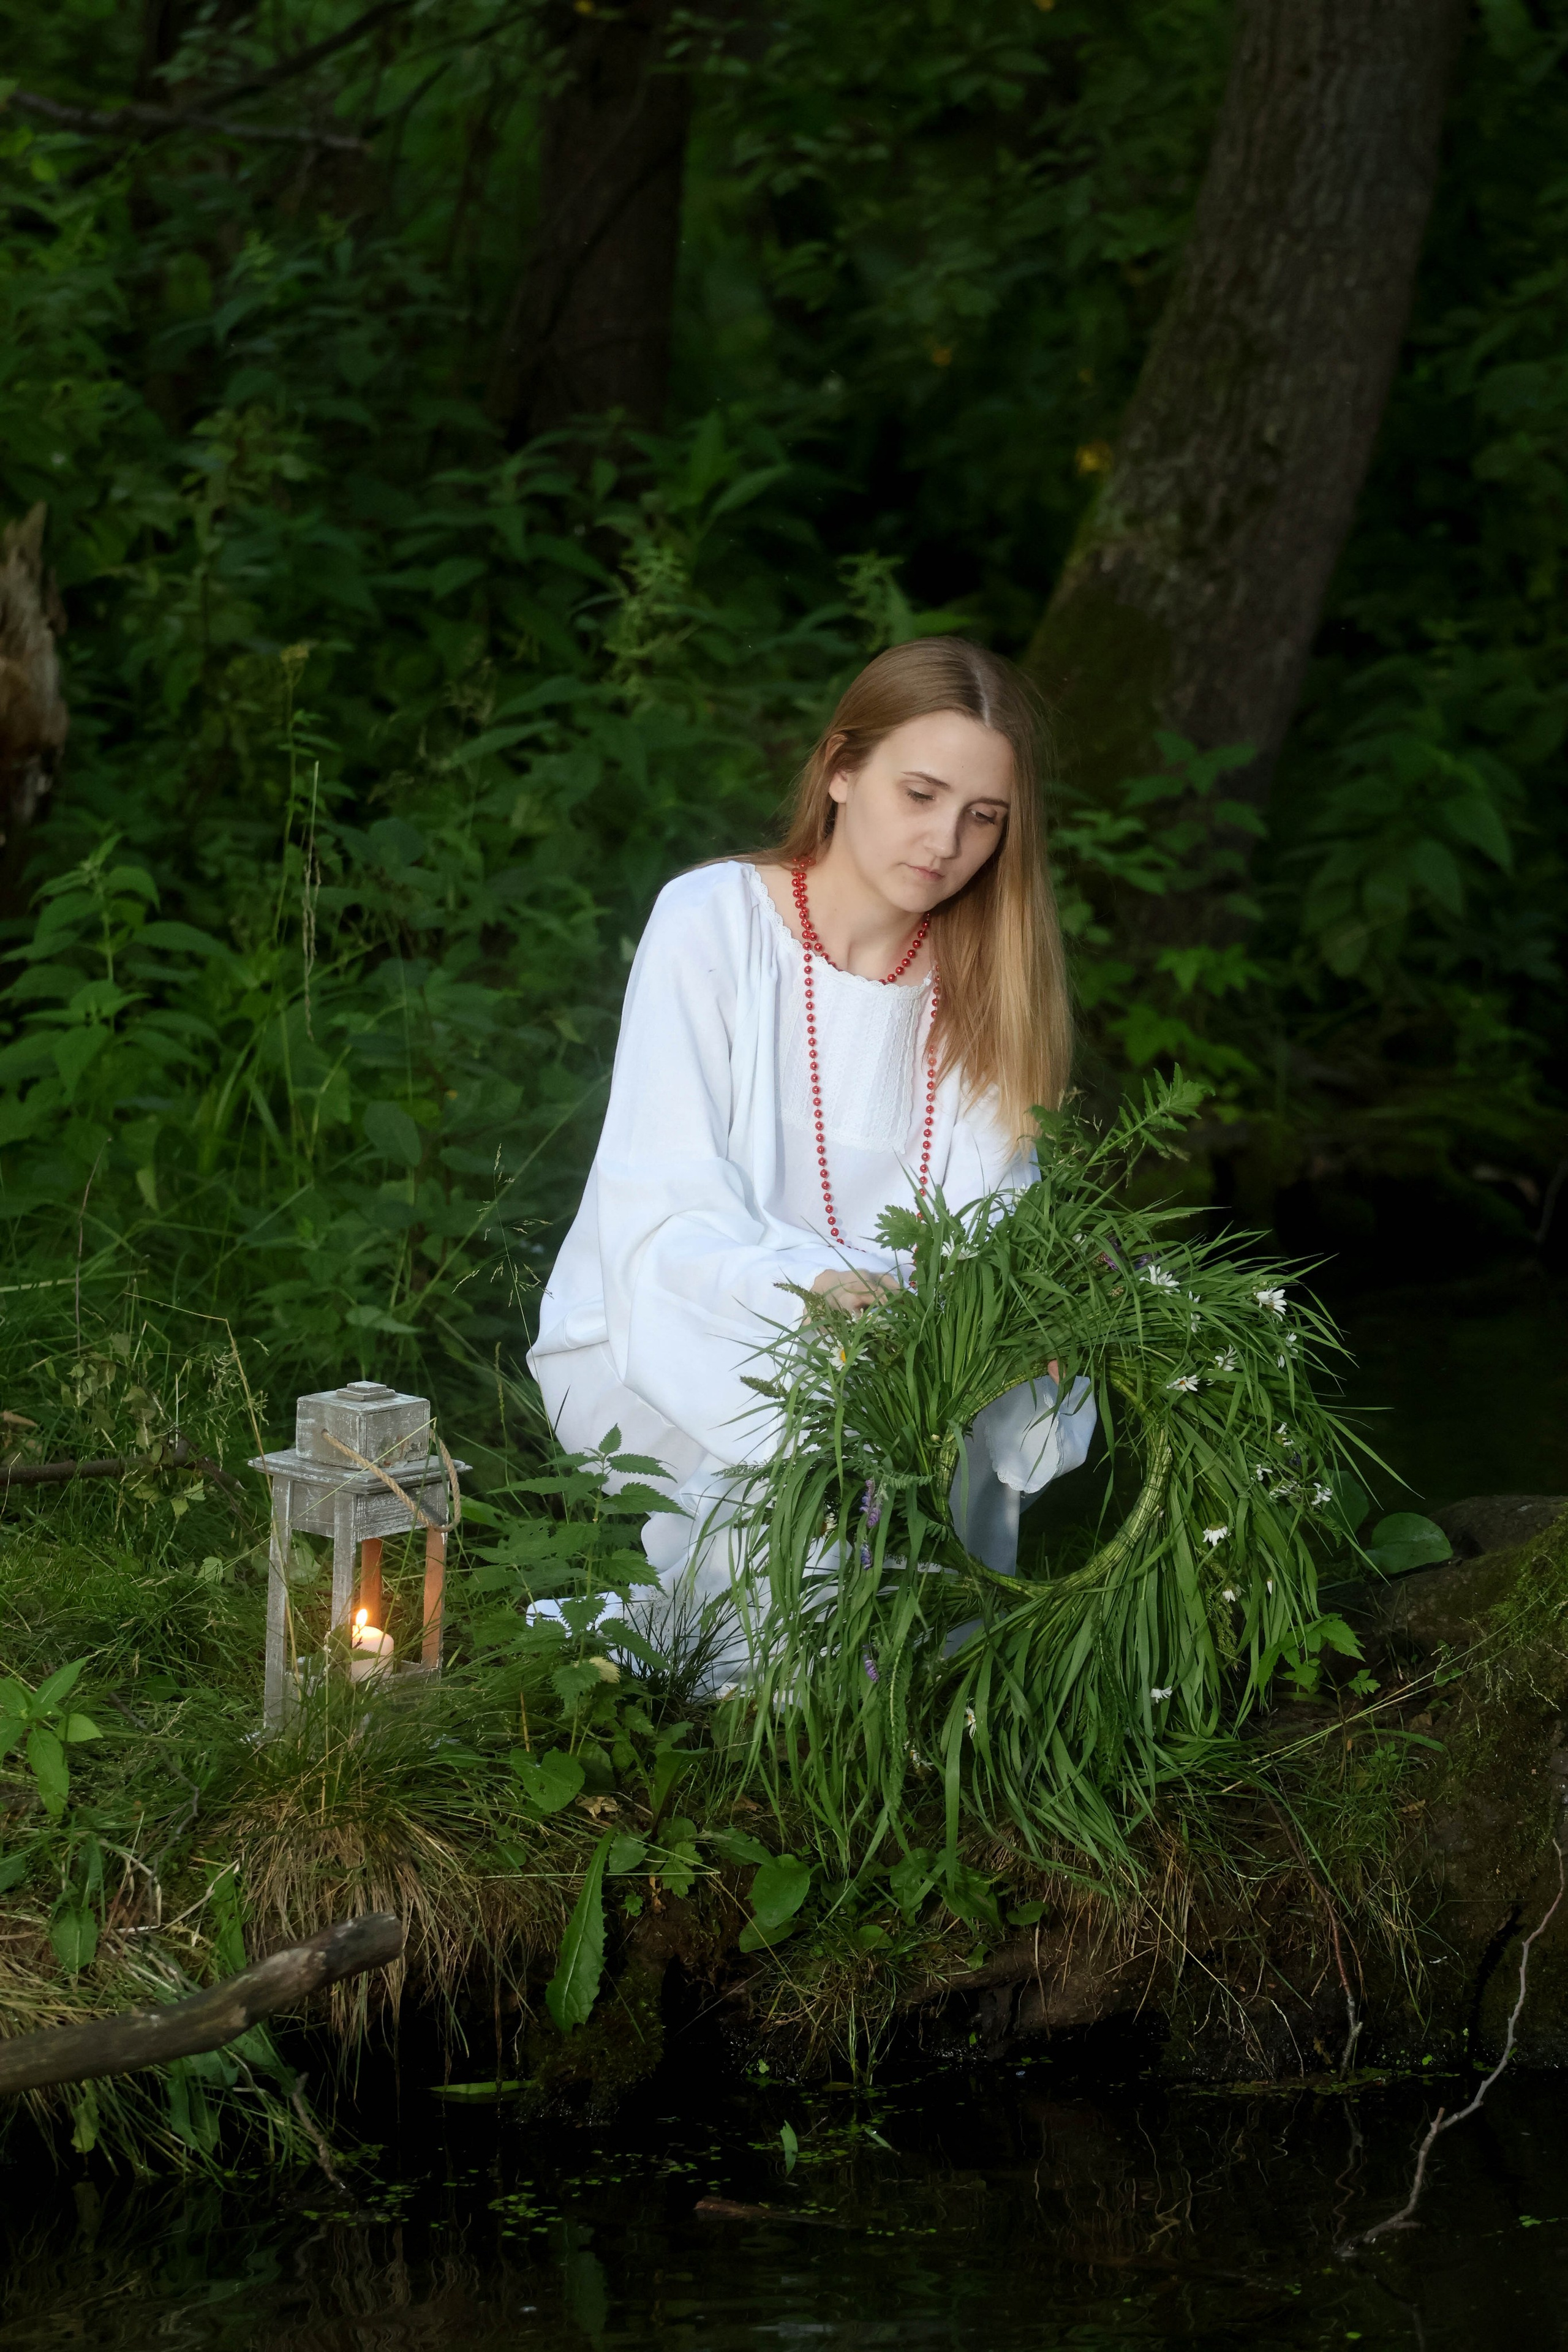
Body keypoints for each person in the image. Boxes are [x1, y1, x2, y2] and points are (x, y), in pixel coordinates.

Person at [527, 636, 1096, 1671]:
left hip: (907, 1358)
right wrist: (814, 1293)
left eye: (984, 817)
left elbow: (999, 1212)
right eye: (919, 794)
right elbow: (664, 1195)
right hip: (688, 1321)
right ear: (840, 769)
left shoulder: (986, 983)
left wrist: (1035, 1296)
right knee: (804, 1613)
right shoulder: (714, 922)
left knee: (922, 1628)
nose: (945, 842)